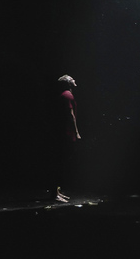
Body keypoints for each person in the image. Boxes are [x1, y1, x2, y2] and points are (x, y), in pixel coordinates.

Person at [55, 74, 81, 202]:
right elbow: (71, 116)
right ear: (68, 83)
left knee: (60, 162)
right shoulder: (68, 95)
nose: (74, 80)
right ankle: (54, 194)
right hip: (66, 133)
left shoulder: (66, 95)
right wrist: (76, 132)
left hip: (64, 132)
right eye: (72, 79)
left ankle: (57, 192)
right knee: (60, 163)